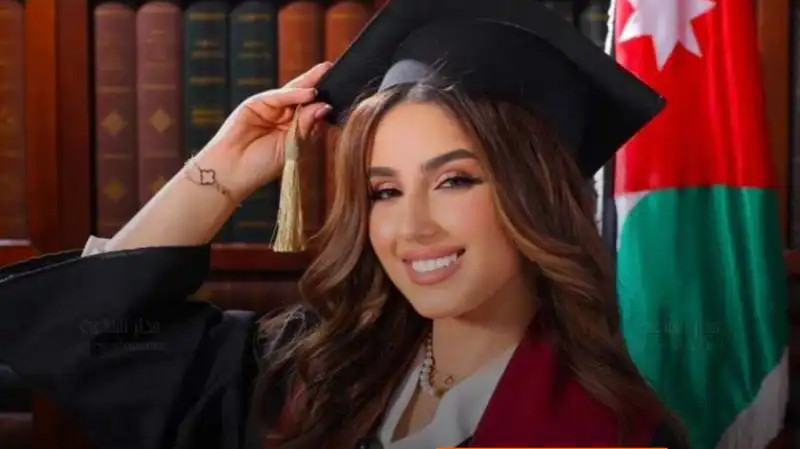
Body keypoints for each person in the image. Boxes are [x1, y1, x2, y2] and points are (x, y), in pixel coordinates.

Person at [0, 0, 689, 448]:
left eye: (454, 180)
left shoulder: (611, 434)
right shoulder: (306, 369)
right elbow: (82, 339)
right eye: (383, 190)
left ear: (535, 195)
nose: (411, 227)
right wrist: (220, 172)